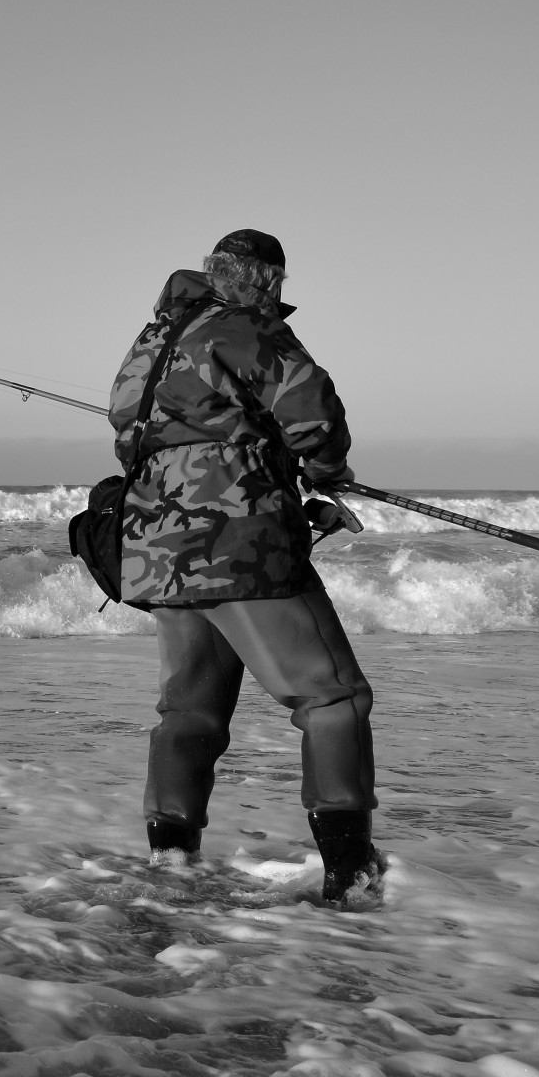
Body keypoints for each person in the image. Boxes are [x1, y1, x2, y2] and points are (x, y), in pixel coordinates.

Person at [109, 229, 382, 902]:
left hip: (156, 550)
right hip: (241, 549)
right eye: (277, 284)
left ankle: (170, 865)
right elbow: (312, 408)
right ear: (260, 277)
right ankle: (351, 873)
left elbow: (128, 435)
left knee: (190, 713)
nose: (280, 297)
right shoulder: (247, 328)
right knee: (333, 698)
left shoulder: (152, 343)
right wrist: (325, 477)